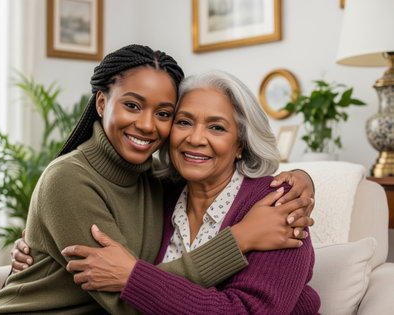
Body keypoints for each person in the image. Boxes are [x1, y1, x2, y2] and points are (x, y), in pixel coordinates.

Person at [0, 45, 314, 314]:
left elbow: (264, 299)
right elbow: (130, 305)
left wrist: (302, 178)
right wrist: (239, 239)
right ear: (101, 102)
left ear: (241, 142)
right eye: (184, 121)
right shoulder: (73, 180)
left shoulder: (167, 186)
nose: (147, 124)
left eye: (165, 114)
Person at [56, 71, 321, 313]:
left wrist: (133, 278)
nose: (195, 139)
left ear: (240, 143)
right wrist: (37, 244)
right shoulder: (161, 194)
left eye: (216, 127)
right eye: (184, 122)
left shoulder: (278, 202)